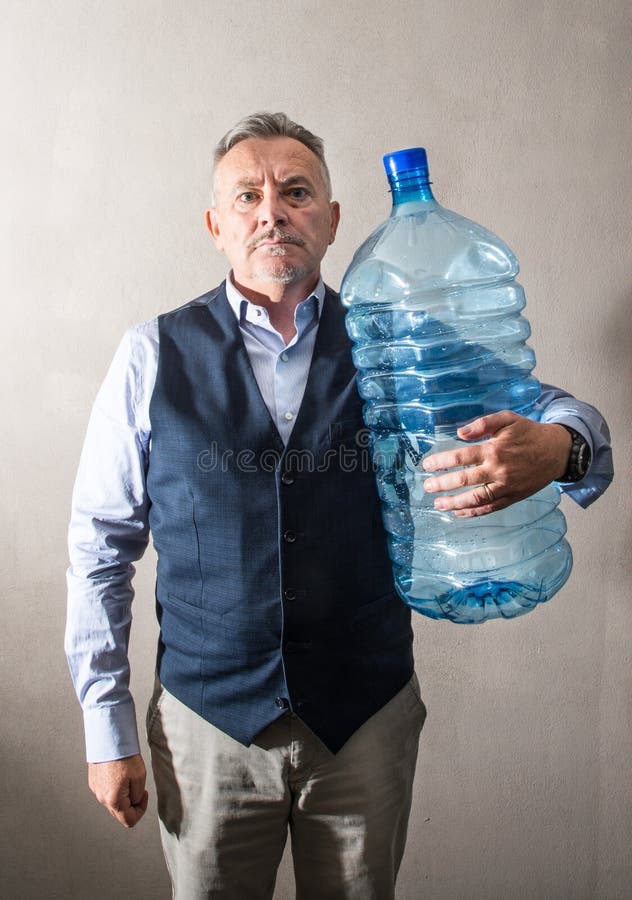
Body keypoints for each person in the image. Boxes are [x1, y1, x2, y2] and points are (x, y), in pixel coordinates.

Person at [66, 112, 613, 899]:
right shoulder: (150, 354)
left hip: (366, 720)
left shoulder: (396, 340)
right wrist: (105, 729)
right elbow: (99, 549)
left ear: (332, 220)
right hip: (207, 727)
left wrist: (562, 452)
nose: (272, 210)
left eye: (296, 191)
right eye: (248, 196)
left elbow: (561, 413)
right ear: (217, 225)